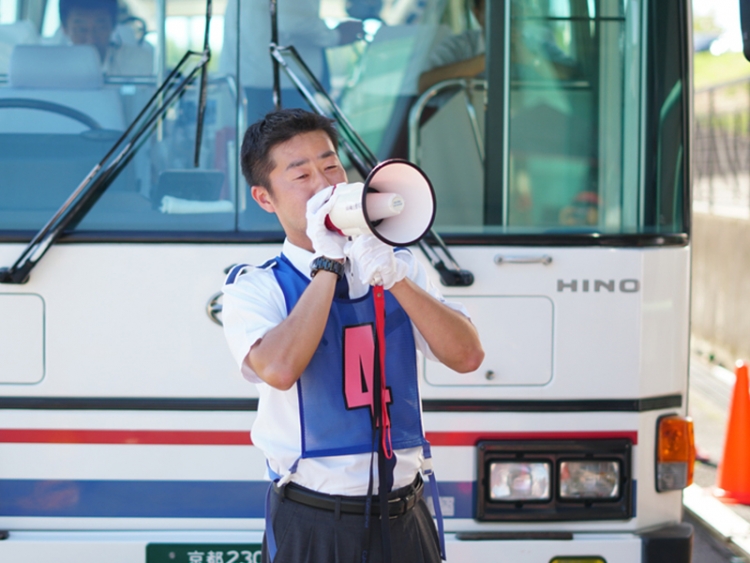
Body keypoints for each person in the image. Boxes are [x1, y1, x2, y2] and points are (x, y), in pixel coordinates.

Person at [221, 108, 484, 563]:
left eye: (331, 166)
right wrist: (328, 264)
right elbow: (279, 370)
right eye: (301, 174)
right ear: (265, 198)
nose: (324, 185)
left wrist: (395, 277)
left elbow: (466, 355)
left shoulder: (395, 265)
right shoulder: (256, 285)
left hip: (406, 514)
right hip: (316, 520)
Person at [57, 0, 153, 76]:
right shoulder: (55, 68)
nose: (91, 40)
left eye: (100, 28)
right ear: (64, 29)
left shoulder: (140, 63)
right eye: (81, 29)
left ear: (113, 26)